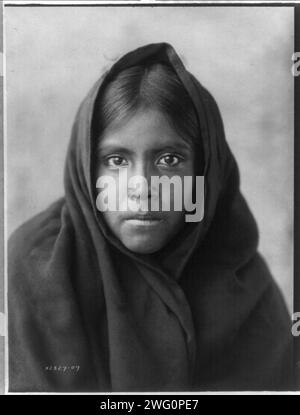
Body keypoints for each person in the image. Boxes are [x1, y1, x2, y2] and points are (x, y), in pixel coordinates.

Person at [8, 42, 294, 392]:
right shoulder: (36, 266)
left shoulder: (244, 279)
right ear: (86, 167)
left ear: (205, 170)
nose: (141, 187)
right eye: (116, 161)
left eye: (169, 160)